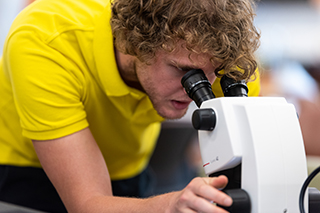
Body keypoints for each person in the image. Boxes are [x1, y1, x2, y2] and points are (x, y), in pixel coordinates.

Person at [0, 0, 261, 212]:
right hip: (28, 176)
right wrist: (171, 204)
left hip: (130, 174)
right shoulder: (45, 40)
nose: (194, 88)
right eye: (183, 70)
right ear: (135, 43)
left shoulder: (220, 57)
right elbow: (88, 203)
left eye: (210, 73)